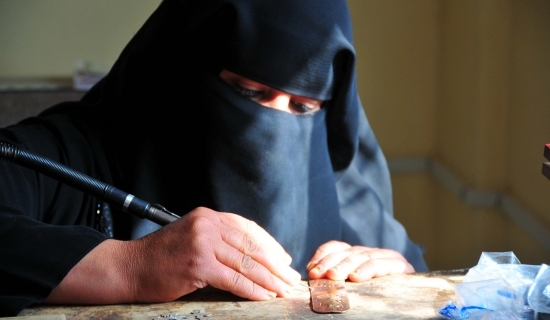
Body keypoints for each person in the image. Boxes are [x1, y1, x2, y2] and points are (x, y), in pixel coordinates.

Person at [0, 0, 428, 317]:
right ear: (183, 68)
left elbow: (424, 281)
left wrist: (399, 283)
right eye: (248, 93)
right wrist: (130, 266)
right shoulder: (79, 153)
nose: (271, 125)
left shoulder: (344, 186)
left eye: (303, 107)